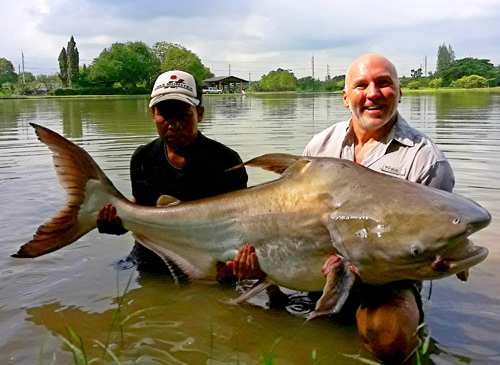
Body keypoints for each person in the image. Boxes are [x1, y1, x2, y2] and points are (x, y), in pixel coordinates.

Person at [226, 53, 456, 363]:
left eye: (384, 84)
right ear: (345, 98)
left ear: (400, 92)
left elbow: (436, 240)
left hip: (387, 279)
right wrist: (262, 261)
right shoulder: (320, 147)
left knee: (391, 339)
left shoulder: (427, 160)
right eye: (361, 86)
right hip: (318, 264)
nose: (372, 93)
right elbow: (290, 219)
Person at [97, 70, 248, 278]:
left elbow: (239, 229)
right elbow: (141, 213)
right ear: (153, 115)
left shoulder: (227, 162)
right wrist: (116, 224)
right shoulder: (143, 158)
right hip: (150, 260)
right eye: (165, 115)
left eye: (183, 115)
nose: (174, 125)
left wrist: (240, 266)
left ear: (200, 114)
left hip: (207, 266)